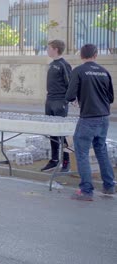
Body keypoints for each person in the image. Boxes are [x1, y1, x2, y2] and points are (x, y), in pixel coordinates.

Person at [66, 43, 115, 201]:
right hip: (104, 117)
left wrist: (78, 99)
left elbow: (69, 95)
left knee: (81, 152)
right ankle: (109, 185)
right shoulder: (104, 72)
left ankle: (86, 190)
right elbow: (111, 98)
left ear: (81, 55)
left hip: (88, 117)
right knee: (101, 150)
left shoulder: (79, 71)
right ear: (95, 55)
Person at [41, 40, 73, 172]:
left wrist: (70, 99)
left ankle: (66, 161)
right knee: (52, 131)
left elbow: (70, 84)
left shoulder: (64, 65)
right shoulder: (51, 64)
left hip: (60, 101)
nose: (47, 50)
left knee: (61, 132)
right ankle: (54, 160)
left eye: (49, 48)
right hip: (50, 100)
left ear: (55, 49)